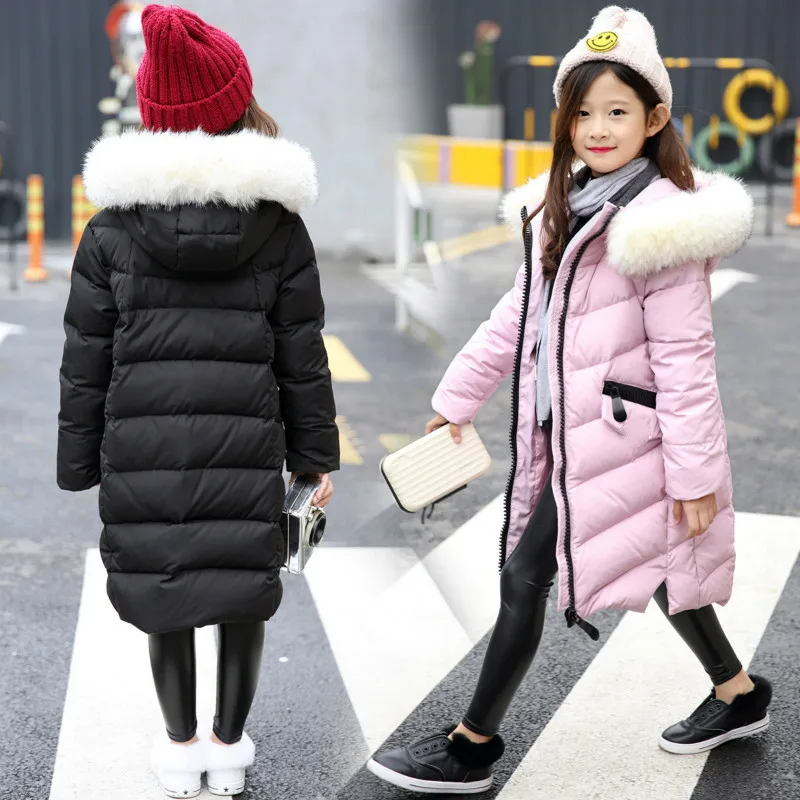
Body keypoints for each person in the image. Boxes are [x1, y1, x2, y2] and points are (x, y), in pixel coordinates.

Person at [367, 6, 772, 795]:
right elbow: (516, 316)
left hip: (626, 440)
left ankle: (471, 745)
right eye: (583, 112)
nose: (597, 128)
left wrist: (695, 476)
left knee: (527, 575)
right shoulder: (565, 204)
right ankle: (738, 693)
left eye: (617, 111)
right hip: (572, 433)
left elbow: (686, 361)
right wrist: (459, 396)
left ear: (655, 118)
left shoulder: (663, 225)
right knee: (653, 561)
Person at [56, 5, 339, 797]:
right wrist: (313, 458)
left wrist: (79, 462)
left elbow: (85, 361)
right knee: (243, 588)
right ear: (238, 105)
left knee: (167, 592)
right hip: (246, 451)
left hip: (142, 454)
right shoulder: (278, 227)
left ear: (152, 115)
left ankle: (182, 749)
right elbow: (301, 353)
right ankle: (229, 746)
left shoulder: (111, 230)